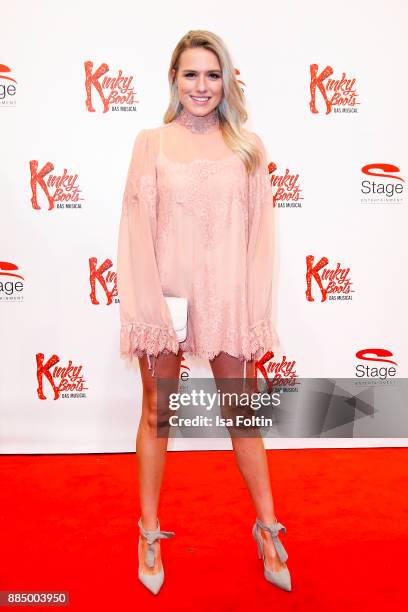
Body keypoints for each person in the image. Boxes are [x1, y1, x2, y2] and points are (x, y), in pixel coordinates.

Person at [116, 29, 291, 595]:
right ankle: (149, 530)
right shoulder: (152, 142)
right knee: (157, 416)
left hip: (226, 301)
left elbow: (261, 238)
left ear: (227, 81)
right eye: (190, 74)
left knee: (243, 418)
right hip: (166, 300)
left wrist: (251, 309)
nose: (201, 85)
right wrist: (147, 309)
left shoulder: (249, 147)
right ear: (174, 80)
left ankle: (267, 528)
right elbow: (135, 230)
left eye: (212, 74)